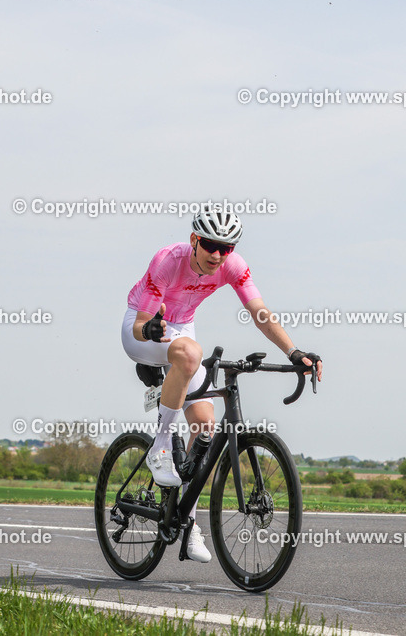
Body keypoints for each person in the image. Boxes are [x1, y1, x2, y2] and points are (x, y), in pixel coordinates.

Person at [121, 207, 323, 562]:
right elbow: (139, 322)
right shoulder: (168, 260)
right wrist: (150, 331)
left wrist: (293, 352)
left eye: (226, 248)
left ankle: (188, 524)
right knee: (189, 352)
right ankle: (160, 447)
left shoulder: (232, 265)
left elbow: (259, 312)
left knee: (205, 427)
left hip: (182, 330)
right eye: (211, 245)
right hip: (144, 328)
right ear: (195, 240)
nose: (218, 255)